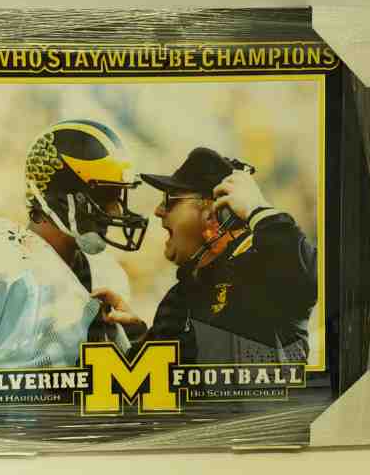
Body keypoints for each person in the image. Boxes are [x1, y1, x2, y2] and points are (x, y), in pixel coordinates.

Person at [0, 120, 148, 372]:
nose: (116, 212)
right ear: (60, 197)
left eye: (118, 197)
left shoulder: (109, 275)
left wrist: (137, 342)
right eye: (104, 197)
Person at [92, 147, 317, 364]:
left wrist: (257, 209)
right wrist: (139, 335)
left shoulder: (261, 272)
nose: (158, 211)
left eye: (170, 200)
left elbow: (309, 276)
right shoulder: (181, 295)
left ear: (213, 215)